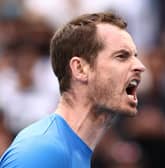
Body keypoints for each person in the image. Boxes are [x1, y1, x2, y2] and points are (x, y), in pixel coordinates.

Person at [0, 12, 145, 168]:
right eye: (122, 56)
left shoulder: (65, 150)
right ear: (80, 69)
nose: (140, 66)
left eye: (135, 56)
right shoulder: (41, 151)